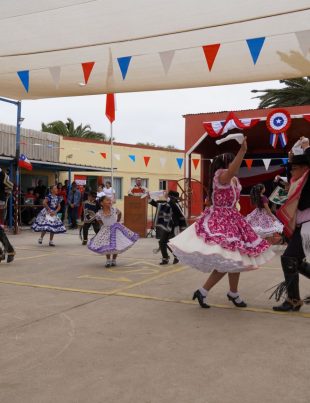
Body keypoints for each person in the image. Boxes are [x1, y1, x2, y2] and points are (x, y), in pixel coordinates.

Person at [169, 137, 274, 309]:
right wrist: (243, 151)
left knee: (236, 260)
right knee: (229, 258)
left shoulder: (232, 180)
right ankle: (204, 291)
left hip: (233, 219)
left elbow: (233, 180)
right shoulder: (222, 177)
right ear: (227, 164)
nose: (236, 166)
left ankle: (232, 293)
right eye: (233, 163)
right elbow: (231, 171)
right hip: (220, 221)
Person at [271, 138, 310, 312]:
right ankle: (294, 299)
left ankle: (293, 299)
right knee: (294, 261)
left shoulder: (308, 180)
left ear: (305, 168)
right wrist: (292, 156)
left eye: (295, 167)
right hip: (301, 227)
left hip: (308, 228)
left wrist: (307, 148)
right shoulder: (297, 183)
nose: (292, 170)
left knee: (289, 259)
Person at [88, 196, 139, 268]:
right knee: (107, 244)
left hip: (116, 228)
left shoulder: (114, 209)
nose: (109, 201)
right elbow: (99, 221)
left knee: (117, 244)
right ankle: (108, 260)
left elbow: (120, 213)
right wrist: (104, 226)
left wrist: (117, 221)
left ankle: (114, 260)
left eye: (110, 200)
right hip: (106, 229)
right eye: (107, 200)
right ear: (101, 203)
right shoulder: (99, 213)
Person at [149, 190, 187, 265]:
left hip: (173, 226)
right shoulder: (169, 204)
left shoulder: (174, 204)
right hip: (168, 226)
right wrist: (149, 199)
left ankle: (172, 257)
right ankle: (168, 258)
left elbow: (173, 206)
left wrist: (167, 197)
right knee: (163, 242)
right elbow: (158, 205)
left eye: (169, 196)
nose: (167, 197)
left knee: (165, 242)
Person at [0, 168, 15, 263]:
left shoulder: (2, 174)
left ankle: (9, 250)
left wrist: (5, 198)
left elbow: (10, 186)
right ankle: (4, 252)